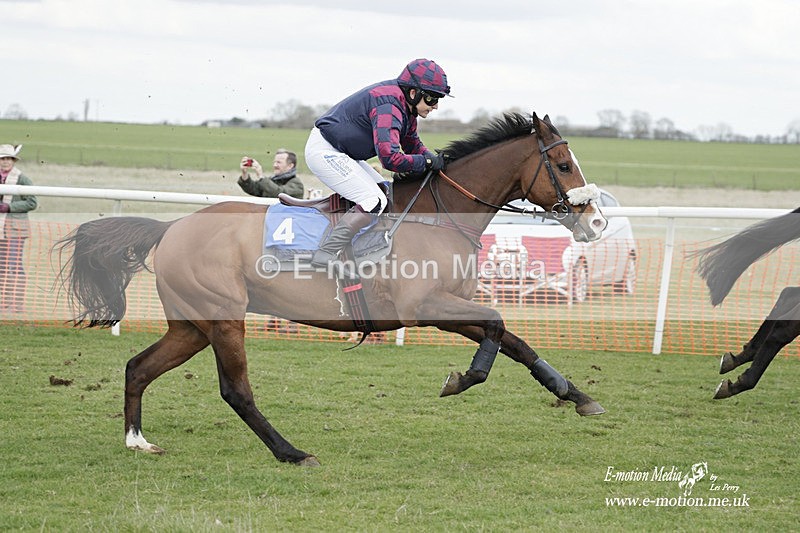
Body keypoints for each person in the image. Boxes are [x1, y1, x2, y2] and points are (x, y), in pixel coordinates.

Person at [304, 58, 451, 270]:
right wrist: (426, 161)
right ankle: (326, 252)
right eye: (432, 98)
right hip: (326, 150)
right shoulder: (389, 105)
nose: (436, 105)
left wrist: (435, 161)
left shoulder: (406, 109)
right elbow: (390, 159)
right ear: (413, 93)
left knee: (386, 192)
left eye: (439, 99)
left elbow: (412, 144)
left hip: (343, 152)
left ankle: (364, 248)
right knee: (373, 199)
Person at [0, 144, 38, 314]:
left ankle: (17, 303)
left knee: (14, 266)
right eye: (2, 159)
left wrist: (9, 207)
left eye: (8, 158)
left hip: (16, 229)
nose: (5, 162)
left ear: (13, 161)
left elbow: (32, 202)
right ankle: (3, 302)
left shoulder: (23, 179)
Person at [238, 148, 304, 199]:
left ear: (290, 166)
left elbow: (280, 194)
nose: (275, 165)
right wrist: (244, 173)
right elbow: (253, 189)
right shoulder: (273, 180)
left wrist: (261, 176)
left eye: (279, 162)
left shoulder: (297, 184)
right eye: (274, 162)